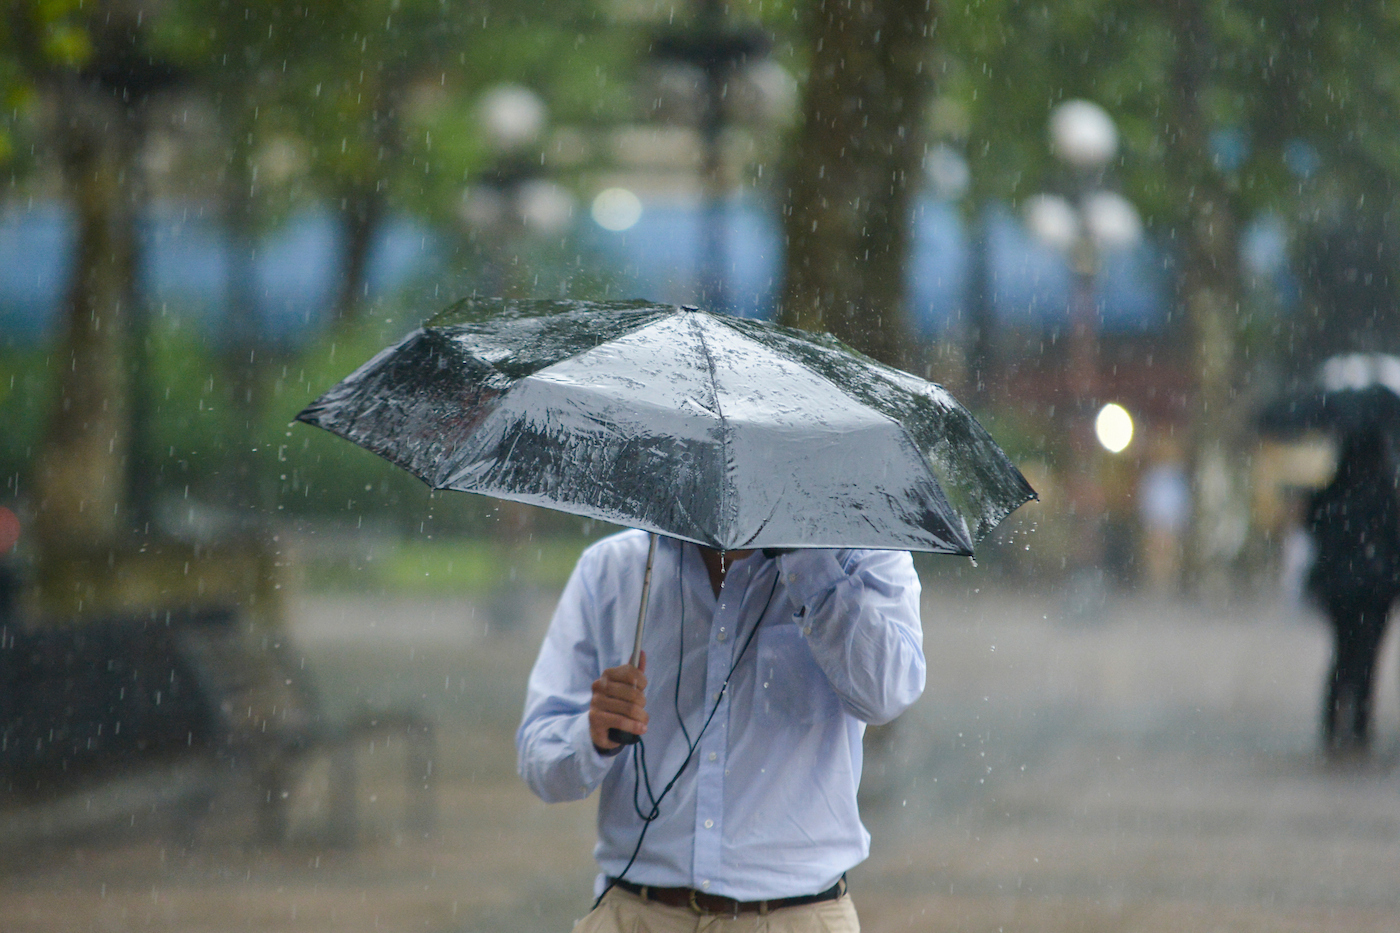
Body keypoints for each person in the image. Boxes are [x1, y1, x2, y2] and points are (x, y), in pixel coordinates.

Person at [516, 530, 925, 931]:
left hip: (797, 915)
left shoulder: (863, 557)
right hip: (635, 912)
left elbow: (887, 694)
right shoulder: (612, 568)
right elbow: (540, 758)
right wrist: (592, 734)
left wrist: (806, 562)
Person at [1305, 427, 1400, 756]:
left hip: (1341, 589)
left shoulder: (1333, 492)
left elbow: (1315, 529)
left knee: (1343, 651)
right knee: (1367, 655)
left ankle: (1335, 722)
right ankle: (1358, 723)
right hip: (1376, 589)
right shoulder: (1384, 495)